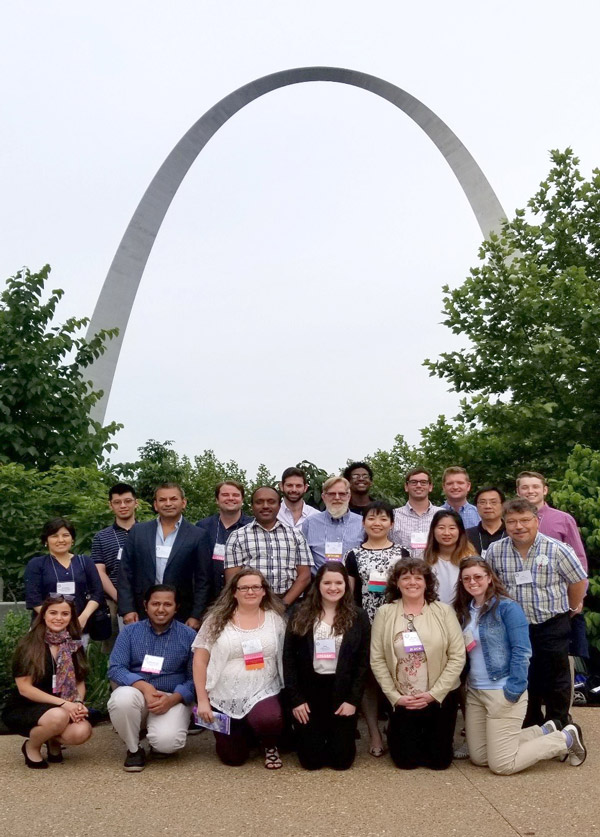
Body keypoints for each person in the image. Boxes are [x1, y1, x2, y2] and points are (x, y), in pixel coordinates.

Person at [455, 558, 586, 772]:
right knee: (479, 757)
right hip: (476, 691)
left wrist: (514, 688)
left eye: (478, 576)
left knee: (503, 765)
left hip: (502, 688)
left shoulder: (507, 608)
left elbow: (522, 650)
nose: (472, 582)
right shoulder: (465, 610)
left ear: (489, 578)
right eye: (466, 578)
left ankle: (565, 738)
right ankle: (545, 731)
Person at [486, 499, 587, 727]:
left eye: (524, 520)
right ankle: (530, 725)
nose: (518, 526)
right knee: (523, 676)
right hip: (514, 627)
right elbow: (491, 584)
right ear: (504, 523)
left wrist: (571, 608)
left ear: (536, 521)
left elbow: (578, 581)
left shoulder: (557, 549)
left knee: (556, 678)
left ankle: (559, 724)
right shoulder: (495, 550)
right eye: (512, 521)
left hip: (551, 623)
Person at [370, 557, 465, 770]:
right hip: (404, 699)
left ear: (427, 582)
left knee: (439, 763)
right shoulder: (385, 613)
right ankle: (394, 729)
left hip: (439, 698)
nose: (412, 582)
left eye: (417, 578)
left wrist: (434, 694)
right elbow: (377, 659)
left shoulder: (443, 611)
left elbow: (458, 655)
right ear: (396, 583)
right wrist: (395, 698)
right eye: (405, 577)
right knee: (406, 762)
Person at [193, 568, 286, 769]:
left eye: (255, 587)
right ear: (234, 592)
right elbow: (200, 660)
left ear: (264, 591)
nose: (250, 592)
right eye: (244, 588)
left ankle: (270, 745)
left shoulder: (275, 620)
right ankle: (247, 733)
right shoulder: (216, 620)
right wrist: (202, 700)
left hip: (263, 688)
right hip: (223, 694)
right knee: (233, 758)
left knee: (268, 719)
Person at [283, 562, 370, 770]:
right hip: (309, 692)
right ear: (318, 584)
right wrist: (296, 700)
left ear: (345, 585)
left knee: (341, 762)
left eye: (339, 582)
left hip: (342, 693)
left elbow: (362, 662)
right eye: (327, 582)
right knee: (311, 763)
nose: (333, 587)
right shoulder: (300, 613)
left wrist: (353, 701)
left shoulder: (358, 616)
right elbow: (288, 658)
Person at [107, 584, 197, 772]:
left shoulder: (189, 635)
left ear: (176, 607)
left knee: (168, 743)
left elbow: (195, 678)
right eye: (155, 604)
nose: (161, 609)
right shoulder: (130, 632)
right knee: (122, 699)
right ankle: (133, 749)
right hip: (137, 693)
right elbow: (116, 668)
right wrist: (145, 688)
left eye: (167, 604)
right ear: (145, 605)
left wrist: (173, 699)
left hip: (171, 696)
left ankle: (155, 735)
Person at [346, 501, 408, 756]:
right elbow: (349, 595)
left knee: (398, 675)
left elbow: (409, 588)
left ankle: (395, 726)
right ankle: (373, 732)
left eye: (383, 519)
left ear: (391, 524)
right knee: (368, 678)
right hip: (365, 623)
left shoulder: (402, 553)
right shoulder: (353, 554)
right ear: (364, 523)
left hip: (396, 622)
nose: (377, 523)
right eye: (371, 518)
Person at [2, 595, 92, 768]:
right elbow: (25, 689)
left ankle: (52, 740)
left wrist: (78, 703)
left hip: (63, 705)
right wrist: (64, 704)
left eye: (65, 614)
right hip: (27, 705)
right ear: (43, 615)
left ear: (71, 617)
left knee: (82, 731)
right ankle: (32, 746)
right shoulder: (29, 645)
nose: (59, 618)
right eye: (53, 613)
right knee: (58, 715)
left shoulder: (73, 645)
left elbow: (79, 681)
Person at [516, 470, 589, 664]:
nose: (530, 491)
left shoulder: (563, 519)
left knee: (561, 663)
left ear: (545, 490)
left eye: (535, 487)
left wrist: (579, 598)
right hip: (524, 605)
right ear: (518, 492)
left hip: (560, 602)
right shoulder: (513, 520)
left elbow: (579, 558)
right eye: (525, 487)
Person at [117, 482, 212, 629]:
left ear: (183, 503)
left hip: (182, 615)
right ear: (155, 505)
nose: (168, 503)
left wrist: (196, 615)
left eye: (173, 499)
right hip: (141, 613)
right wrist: (127, 609)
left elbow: (203, 580)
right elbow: (125, 573)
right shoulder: (138, 532)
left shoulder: (198, 535)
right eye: (162, 500)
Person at [223, 487, 312, 605]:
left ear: (279, 506)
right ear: (252, 506)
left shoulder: (296, 535)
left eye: (271, 502)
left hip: (289, 604)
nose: (265, 506)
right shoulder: (237, 536)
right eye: (259, 502)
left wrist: (283, 605)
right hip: (250, 604)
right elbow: (232, 579)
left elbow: (304, 576)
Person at [24, 518, 104, 634]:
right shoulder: (36, 564)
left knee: (77, 653)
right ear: (46, 540)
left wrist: (83, 618)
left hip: (78, 627)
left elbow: (97, 593)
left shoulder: (85, 562)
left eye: (65, 535)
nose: (61, 540)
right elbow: (33, 598)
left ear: (72, 539)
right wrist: (55, 621)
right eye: (54, 536)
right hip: (44, 628)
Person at [91, 482, 139, 643]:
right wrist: (120, 598)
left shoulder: (148, 531)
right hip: (113, 600)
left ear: (136, 503)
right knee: (115, 651)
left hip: (144, 600)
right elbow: (99, 571)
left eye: (127, 501)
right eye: (117, 502)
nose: (123, 506)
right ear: (111, 505)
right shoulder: (101, 537)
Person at [196, 480, 253, 600]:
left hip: (243, 596)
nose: (231, 498)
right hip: (209, 597)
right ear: (217, 500)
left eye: (236, 495)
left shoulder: (253, 526)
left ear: (242, 500)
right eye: (225, 495)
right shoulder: (203, 527)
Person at [301, 476, 364, 571]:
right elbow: (302, 559)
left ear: (349, 496)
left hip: (353, 583)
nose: (337, 498)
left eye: (342, 494)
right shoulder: (310, 523)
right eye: (331, 494)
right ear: (323, 497)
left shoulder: (362, 524)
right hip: (319, 583)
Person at [424, 510, 476, 605]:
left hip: (464, 613)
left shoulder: (471, 559)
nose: (446, 533)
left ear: (460, 531)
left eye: (452, 528)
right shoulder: (424, 559)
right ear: (433, 530)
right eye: (441, 528)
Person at [392, 467, 440, 557]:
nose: (418, 485)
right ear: (406, 487)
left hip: (436, 569)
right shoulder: (394, 515)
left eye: (423, 482)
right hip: (403, 569)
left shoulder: (442, 515)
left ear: (430, 487)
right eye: (413, 482)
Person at [466, 486, 506, 559]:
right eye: (482, 502)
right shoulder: (466, 535)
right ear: (476, 506)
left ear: (503, 505)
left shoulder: (512, 533)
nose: (488, 506)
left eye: (493, 502)